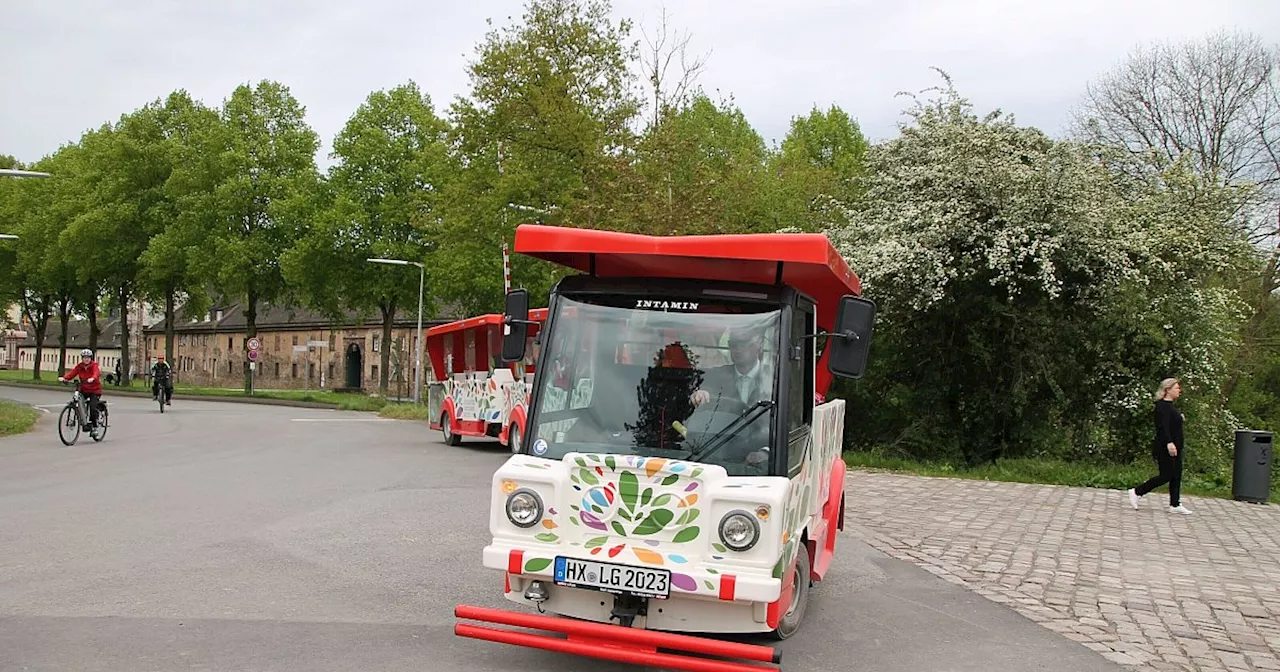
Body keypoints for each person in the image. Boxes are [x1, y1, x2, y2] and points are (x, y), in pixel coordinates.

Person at [1128, 378, 1192, 515]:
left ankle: (1175, 504)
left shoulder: (1171, 406)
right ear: (1167, 390)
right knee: (1166, 475)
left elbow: (1173, 423)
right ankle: (1137, 491)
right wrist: (1169, 443)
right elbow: (1162, 427)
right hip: (1166, 446)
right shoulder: (1161, 406)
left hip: (1177, 446)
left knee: (1176, 475)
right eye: (1176, 388)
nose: (1179, 390)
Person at [59, 348, 104, 431]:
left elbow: (96, 373)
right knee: (79, 401)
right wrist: (65, 378)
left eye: (88, 357)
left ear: (91, 358)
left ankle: (94, 426)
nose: (86, 359)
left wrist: (93, 378)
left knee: (92, 407)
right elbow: (73, 373)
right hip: (84, 389)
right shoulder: (80, 366)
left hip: (94, 390)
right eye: (84, 357)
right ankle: (84, 420)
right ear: (82, 358)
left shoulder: (94, 365)